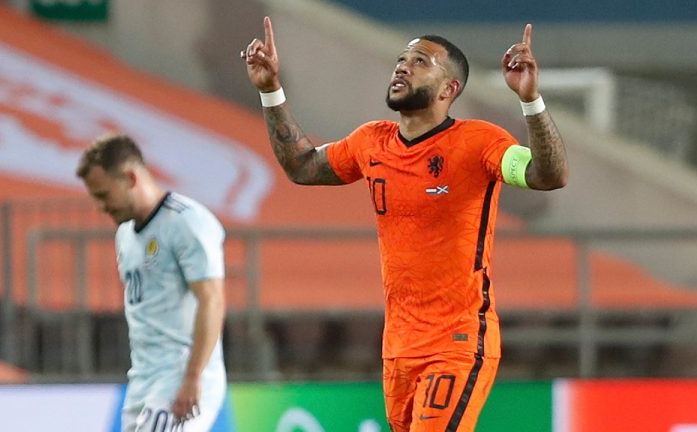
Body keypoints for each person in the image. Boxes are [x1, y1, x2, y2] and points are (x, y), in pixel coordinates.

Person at [241, 17, 568, 432]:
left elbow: (549, 174)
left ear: (450, 89)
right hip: (398, 347)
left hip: (458, 340)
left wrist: (531, 102)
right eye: (401, 59)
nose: (402, 66)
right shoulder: (370, 142)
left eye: (420, 61)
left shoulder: (480, 143)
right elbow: (303, 166)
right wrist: (270, 90)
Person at [76, 133, 228, 432]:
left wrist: (192, 378)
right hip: (144, 379)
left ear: (131, 177)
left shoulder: (187, 223)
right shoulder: (125, 234)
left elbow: (212, 299)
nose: (100, 206)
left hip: (181, 376)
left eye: (104, 195)